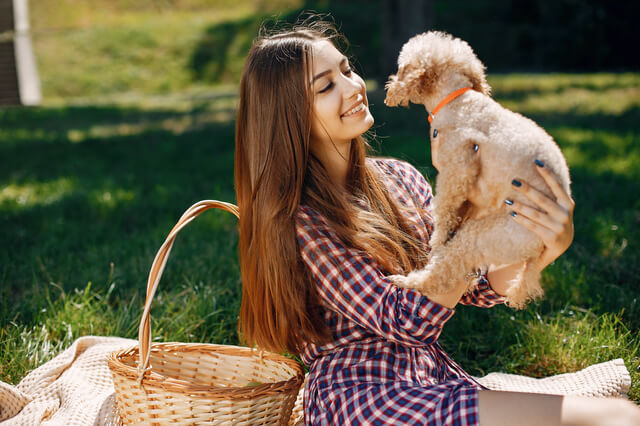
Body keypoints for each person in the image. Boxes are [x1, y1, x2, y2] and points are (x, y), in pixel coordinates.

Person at [233, 17, 640, 425]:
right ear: (289, 117)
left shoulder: (398, 177)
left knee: (612, 415)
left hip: (429, 378)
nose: (353, 87)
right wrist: (472, 216)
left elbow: (476, 286)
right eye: (325, 86)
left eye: (346, 69)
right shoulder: (302, 222)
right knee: (613, 417)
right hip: (363, 399)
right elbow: (408, 320)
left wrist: (544, 241)